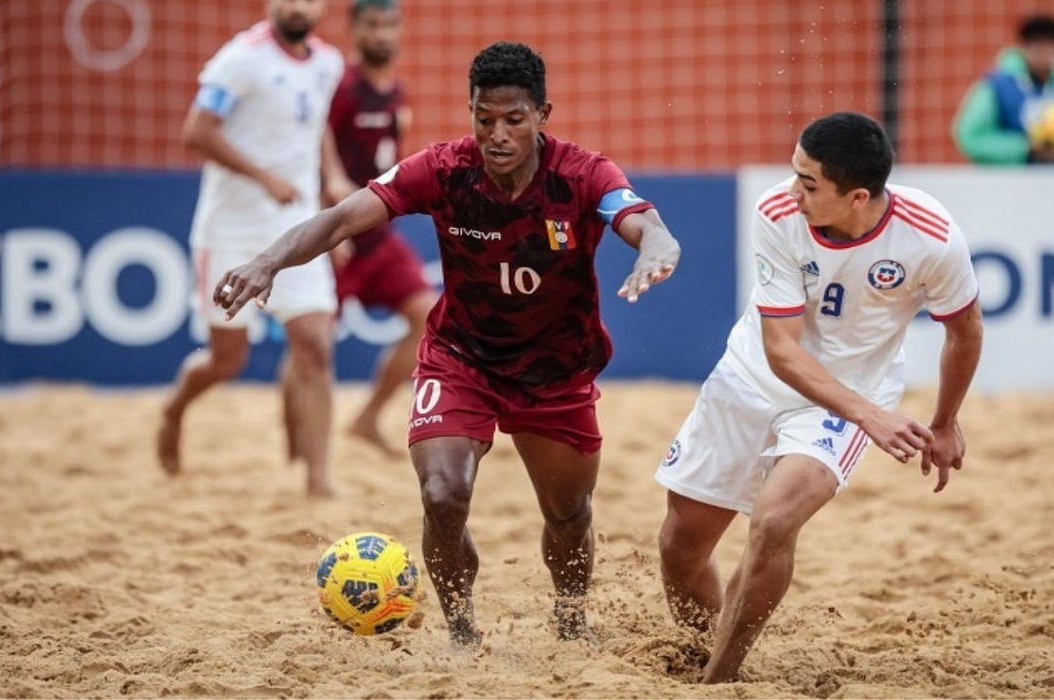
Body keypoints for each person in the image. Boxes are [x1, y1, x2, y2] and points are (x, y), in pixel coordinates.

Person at [215, 41, 681, 645]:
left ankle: (570, 616)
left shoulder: (583, 174)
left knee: (568, 515)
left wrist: (656, 248)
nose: (498, 134)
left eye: (514, 119)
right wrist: (267, 261)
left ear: (543, 114)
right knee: (443, 494)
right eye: (484, 118)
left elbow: (643, 221)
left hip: (556, 372)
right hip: (462, 358)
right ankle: (462, 629)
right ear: (470, 113)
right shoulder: (442, 168)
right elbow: (340, 217)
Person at [655, 112, 984, 683]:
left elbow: (966, 330)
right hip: (753, 379)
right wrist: (871, 418)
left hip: (851, 395)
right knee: (680, 544)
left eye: (809, 184)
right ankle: (699, 649)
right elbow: (782, 350)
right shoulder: (778, 214)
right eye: (793, 173)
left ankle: (719, 680)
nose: (792, 192)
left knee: (775, 520)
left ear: (858, 197)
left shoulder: (931, 237)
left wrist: (946, 420)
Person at [156, 0, 346, 496]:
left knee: (316, 347)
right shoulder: (240, 59)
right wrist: (264, 178)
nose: (298, 6)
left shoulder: (329, 62)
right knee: (227, 361)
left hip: (297, 224)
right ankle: (174, 409)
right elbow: (196, 132)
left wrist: (332, 176)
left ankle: (319, 480)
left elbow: (316, 122)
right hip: (232, 231)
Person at [322, 0, 438, 456]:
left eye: (390, 25)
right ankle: (301, 454)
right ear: (354, 30)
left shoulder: (395, 93)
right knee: (310, 343)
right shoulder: (340, 89)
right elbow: (315, 161)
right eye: (372, 25)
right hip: (333, 236)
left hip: (376, 237)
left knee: (429, 317)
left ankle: (368, 418)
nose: (382, 35)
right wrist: (327, 233)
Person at [953, 13, 1054, 164]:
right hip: (1006, 182)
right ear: (1022, 47)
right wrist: (1025, 148)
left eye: (1051, 47)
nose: (1044, 54)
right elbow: (971, 138)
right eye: (1037, 46)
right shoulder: (996, 86)